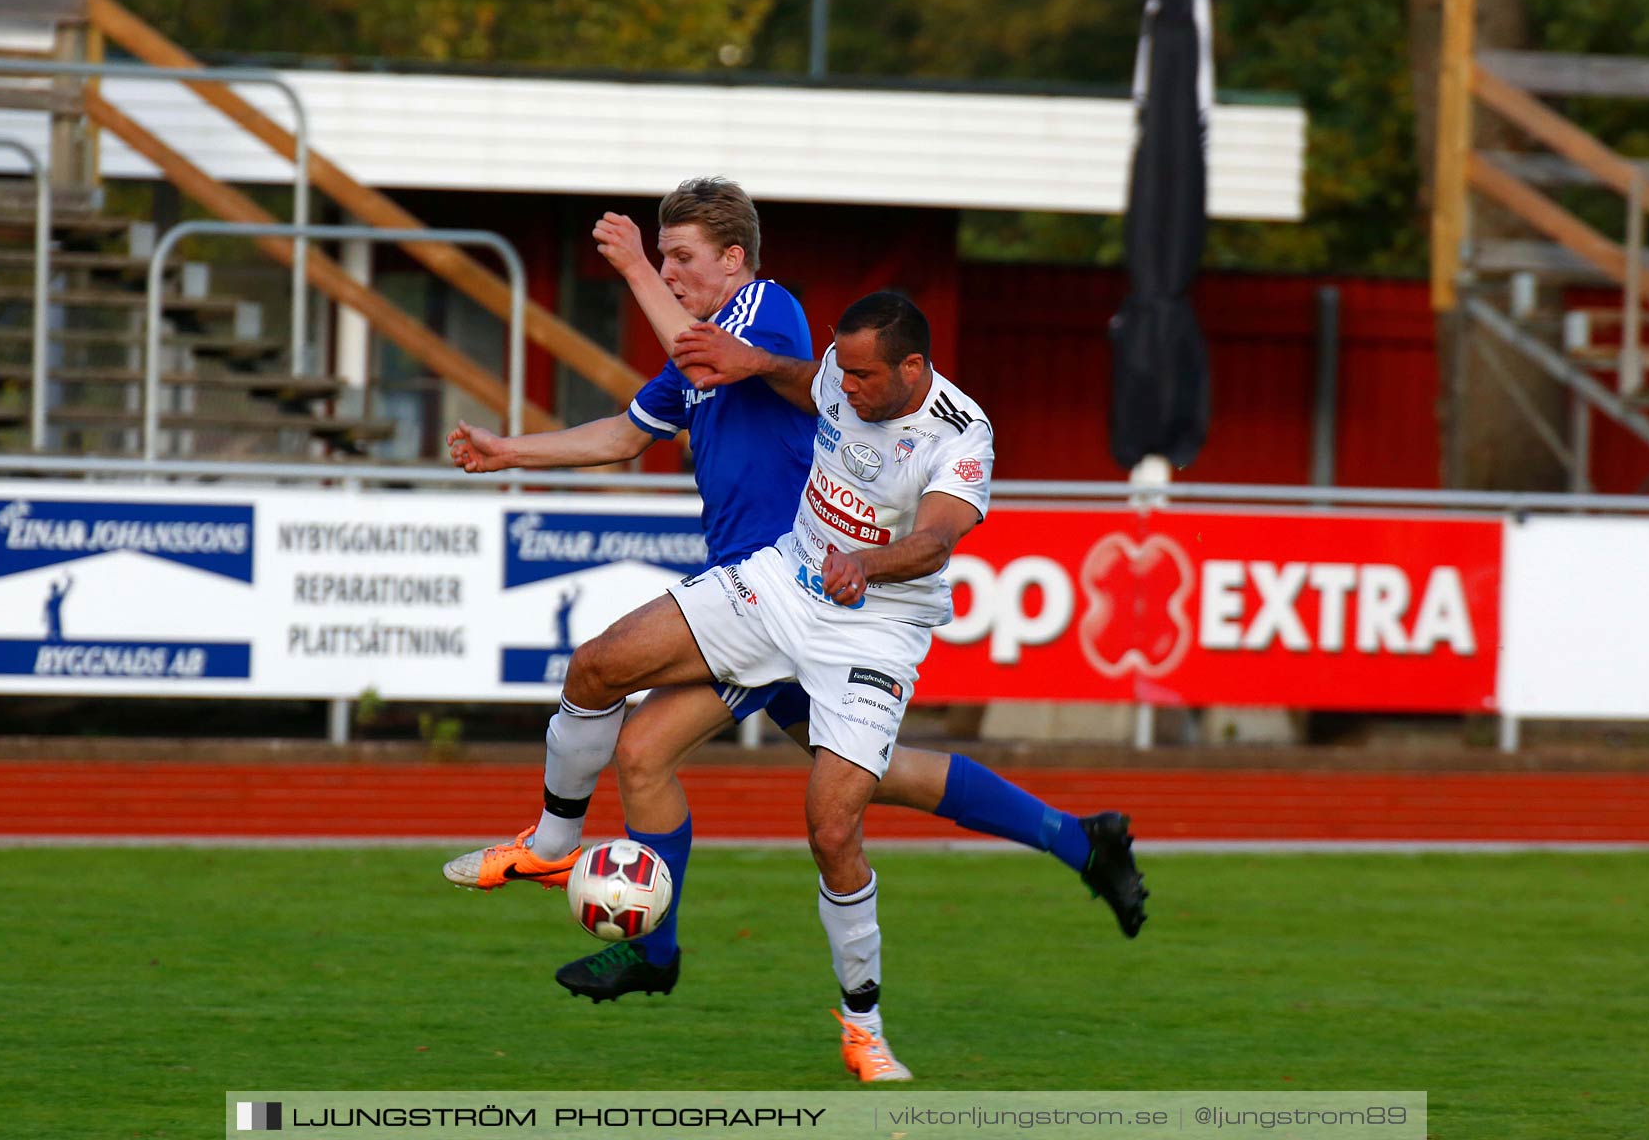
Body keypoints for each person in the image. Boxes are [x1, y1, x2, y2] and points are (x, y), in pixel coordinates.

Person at [441, 182, 1146, 1061]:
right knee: (762, 763)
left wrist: (627, 267)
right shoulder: (738, 358)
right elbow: (629, 432)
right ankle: (1079, 841)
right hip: (768, 588)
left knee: (790, 799)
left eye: (682, 257)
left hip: (828, 599)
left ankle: (666, 943)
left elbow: (720, 359)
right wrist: (510, 452)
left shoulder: (764, 308)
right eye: (661, 259)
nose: (670, 272)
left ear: (734, 260)